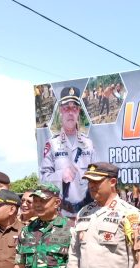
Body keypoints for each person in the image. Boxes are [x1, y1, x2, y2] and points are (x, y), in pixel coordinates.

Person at [40, 86, 97, 217]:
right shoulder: (52, 144)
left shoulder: (88, 143)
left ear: (78, 111)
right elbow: (43, 179)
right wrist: (60, 175)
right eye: (66, 108)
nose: (70, 113)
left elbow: (96, 176)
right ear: (61, 110)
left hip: (87, 213)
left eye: (74, 108)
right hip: (61, 214)